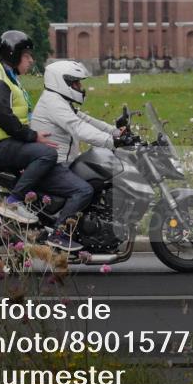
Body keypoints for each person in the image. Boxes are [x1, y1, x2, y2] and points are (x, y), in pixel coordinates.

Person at [30, 61, 129, 251]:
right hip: (52, 165)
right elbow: (78, 128)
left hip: (61, 162)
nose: (80, 87)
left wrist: (115, 132)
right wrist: (112, 141)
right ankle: (58, 234)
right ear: (62, 82)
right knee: (84, 190)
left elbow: (85, 119)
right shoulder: (53, 103)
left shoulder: (59, 101)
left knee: (95, 181)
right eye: (76, 83)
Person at [0, 30, 59, 226]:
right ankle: (13, 202)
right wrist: (32, 136)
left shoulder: (7, 75)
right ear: (13, 54)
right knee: (47, 154)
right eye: (26, 55)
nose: (31, 60)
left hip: (3, 142)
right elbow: (3, 116)